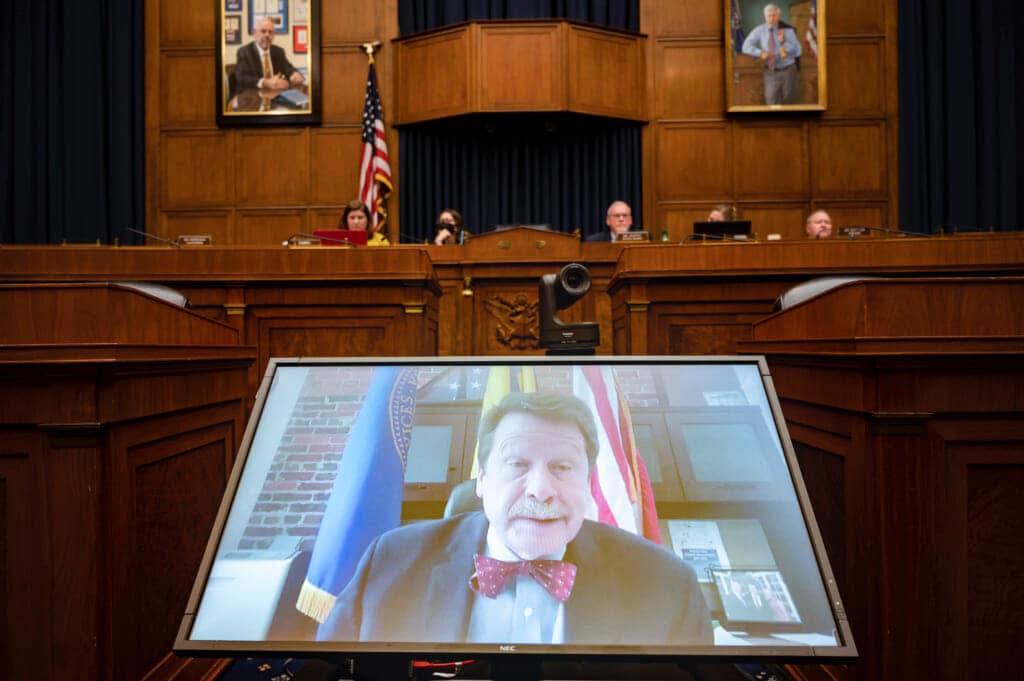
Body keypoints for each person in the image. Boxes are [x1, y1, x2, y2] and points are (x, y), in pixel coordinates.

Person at [319, 392, 712, 645]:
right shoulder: (391, 559)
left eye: (562, 466)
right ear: (483, 479)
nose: (540, 489)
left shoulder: (667, 585)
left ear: (588, 484)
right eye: (517, 464)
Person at [741, 4, 802, 105]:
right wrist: (760, 53)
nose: (772, 18)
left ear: (779, 16)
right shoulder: (759, 30)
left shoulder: (788, 30)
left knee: (790, 102)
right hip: (770, 72)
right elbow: (745, 46)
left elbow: (798, 51)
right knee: (771, 102)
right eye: (769, 16)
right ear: (765, 17)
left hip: (789, 71)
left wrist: (784, 45)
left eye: (774, 15)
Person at [234, 17, 305, 93]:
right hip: (252, 96)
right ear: (254, 33)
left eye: (270, 32)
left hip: (275, 96)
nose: (267, 35)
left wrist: (295, 75)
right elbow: (242, 77)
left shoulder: (278, 51)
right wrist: (266, 83)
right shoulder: (244, 52)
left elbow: (288, 68)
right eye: (263, 31)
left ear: (274, 35)